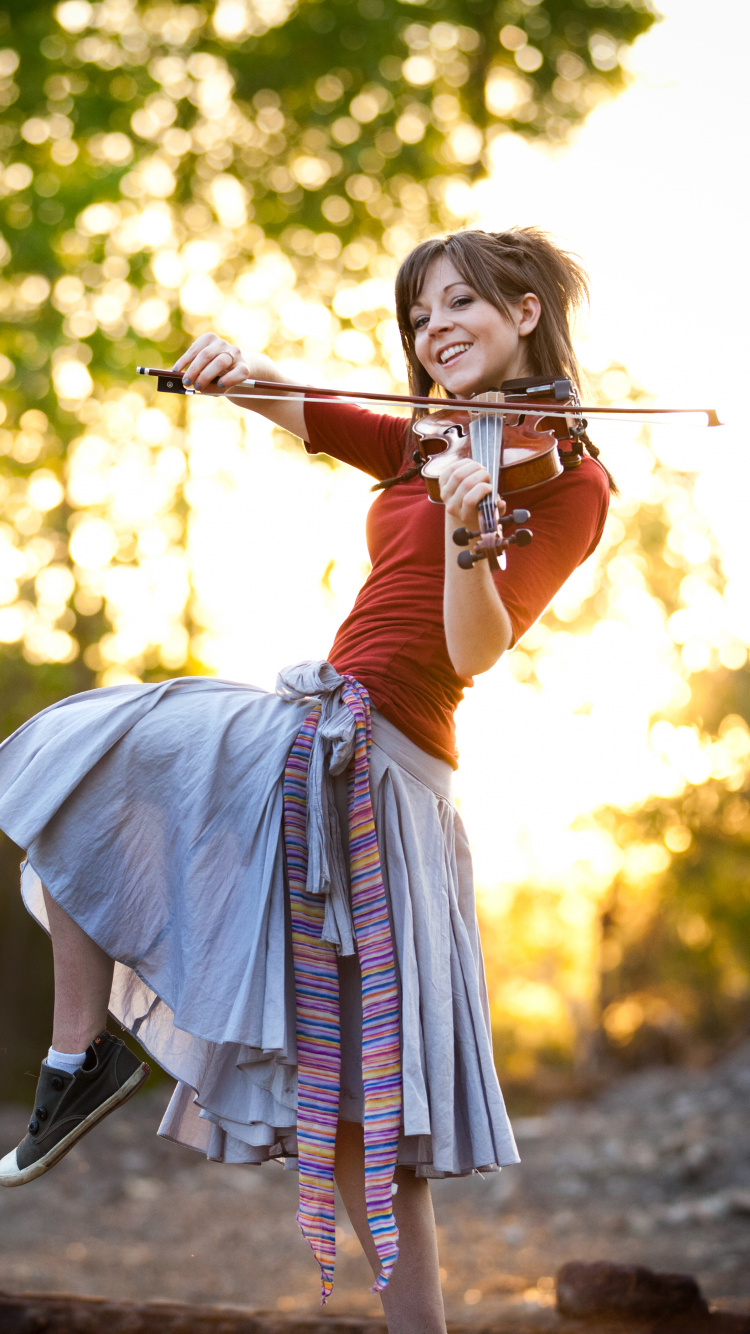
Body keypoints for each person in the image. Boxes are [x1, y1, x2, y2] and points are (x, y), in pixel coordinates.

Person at [0, 227, 611, 1334]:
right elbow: (320, 414)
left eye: (460, 304)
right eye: (420, 317)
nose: (435, 330)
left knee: (360, 1117)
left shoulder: (567, 477)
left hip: (386, 767)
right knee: (71, 783)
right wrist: (242, 374)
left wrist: (475, 535)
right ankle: (77, 1056)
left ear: (526, 312)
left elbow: (474, 652)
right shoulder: (432, 442)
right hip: (316, 735)